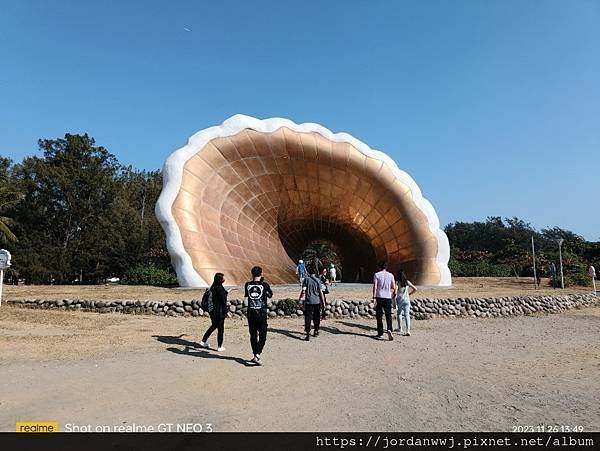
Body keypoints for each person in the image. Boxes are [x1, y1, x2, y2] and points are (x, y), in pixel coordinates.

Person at [245, 266, 273, 365]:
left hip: (251, 312)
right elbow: (270, 295)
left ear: (252, 274)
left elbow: (247, 296)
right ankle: (257, 354)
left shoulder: (247, 285)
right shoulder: (264, 285)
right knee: (263, 335)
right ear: (261, 274)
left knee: (253, 335)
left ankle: (255, 355)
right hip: (261, 313)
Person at [199, 273, 230, 351]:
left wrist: (225, 293)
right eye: (223, 278)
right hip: (219, 312)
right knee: (220, 329)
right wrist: (226, 312)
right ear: (220, 280)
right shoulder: (220, 288)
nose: (224, 279)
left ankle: (203, 341)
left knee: (213, 326)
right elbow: (223, 301)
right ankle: (219, 346)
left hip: (212, 311)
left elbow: (217, 297)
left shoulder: (213, 287)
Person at [298, 265, 324, 341]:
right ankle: (316, 330)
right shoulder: (318, 280)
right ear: (315, 272)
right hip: (317, 301)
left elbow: (303, 291)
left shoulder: (306, 280)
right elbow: (320, 292)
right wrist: (323, 303)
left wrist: (300, 300)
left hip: (309, 302)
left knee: (308, 317)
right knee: (317, 317)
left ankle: (308, 333)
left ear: (308, 272)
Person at [372, 261, 396, 341]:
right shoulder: (390, 275)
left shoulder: (377, 275)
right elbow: (393, 286)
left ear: (379, 267)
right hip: (388, 297)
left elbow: (375, 287)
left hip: (379, 296)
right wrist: (391, 292)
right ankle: (389, 329)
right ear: (386, 267)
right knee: (388, 315)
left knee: (379, 316)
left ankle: (380, 333)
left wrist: (374, 297)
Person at [395, 269, 417, 336]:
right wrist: (409, 294)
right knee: (407, 315)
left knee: (399, 314)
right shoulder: (407, 282)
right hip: (407, 300)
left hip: (399, 300)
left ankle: (400, 328)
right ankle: (408, 331)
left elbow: (395, 292)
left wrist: (394, 299)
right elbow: (415, 289)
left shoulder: (397, 282)